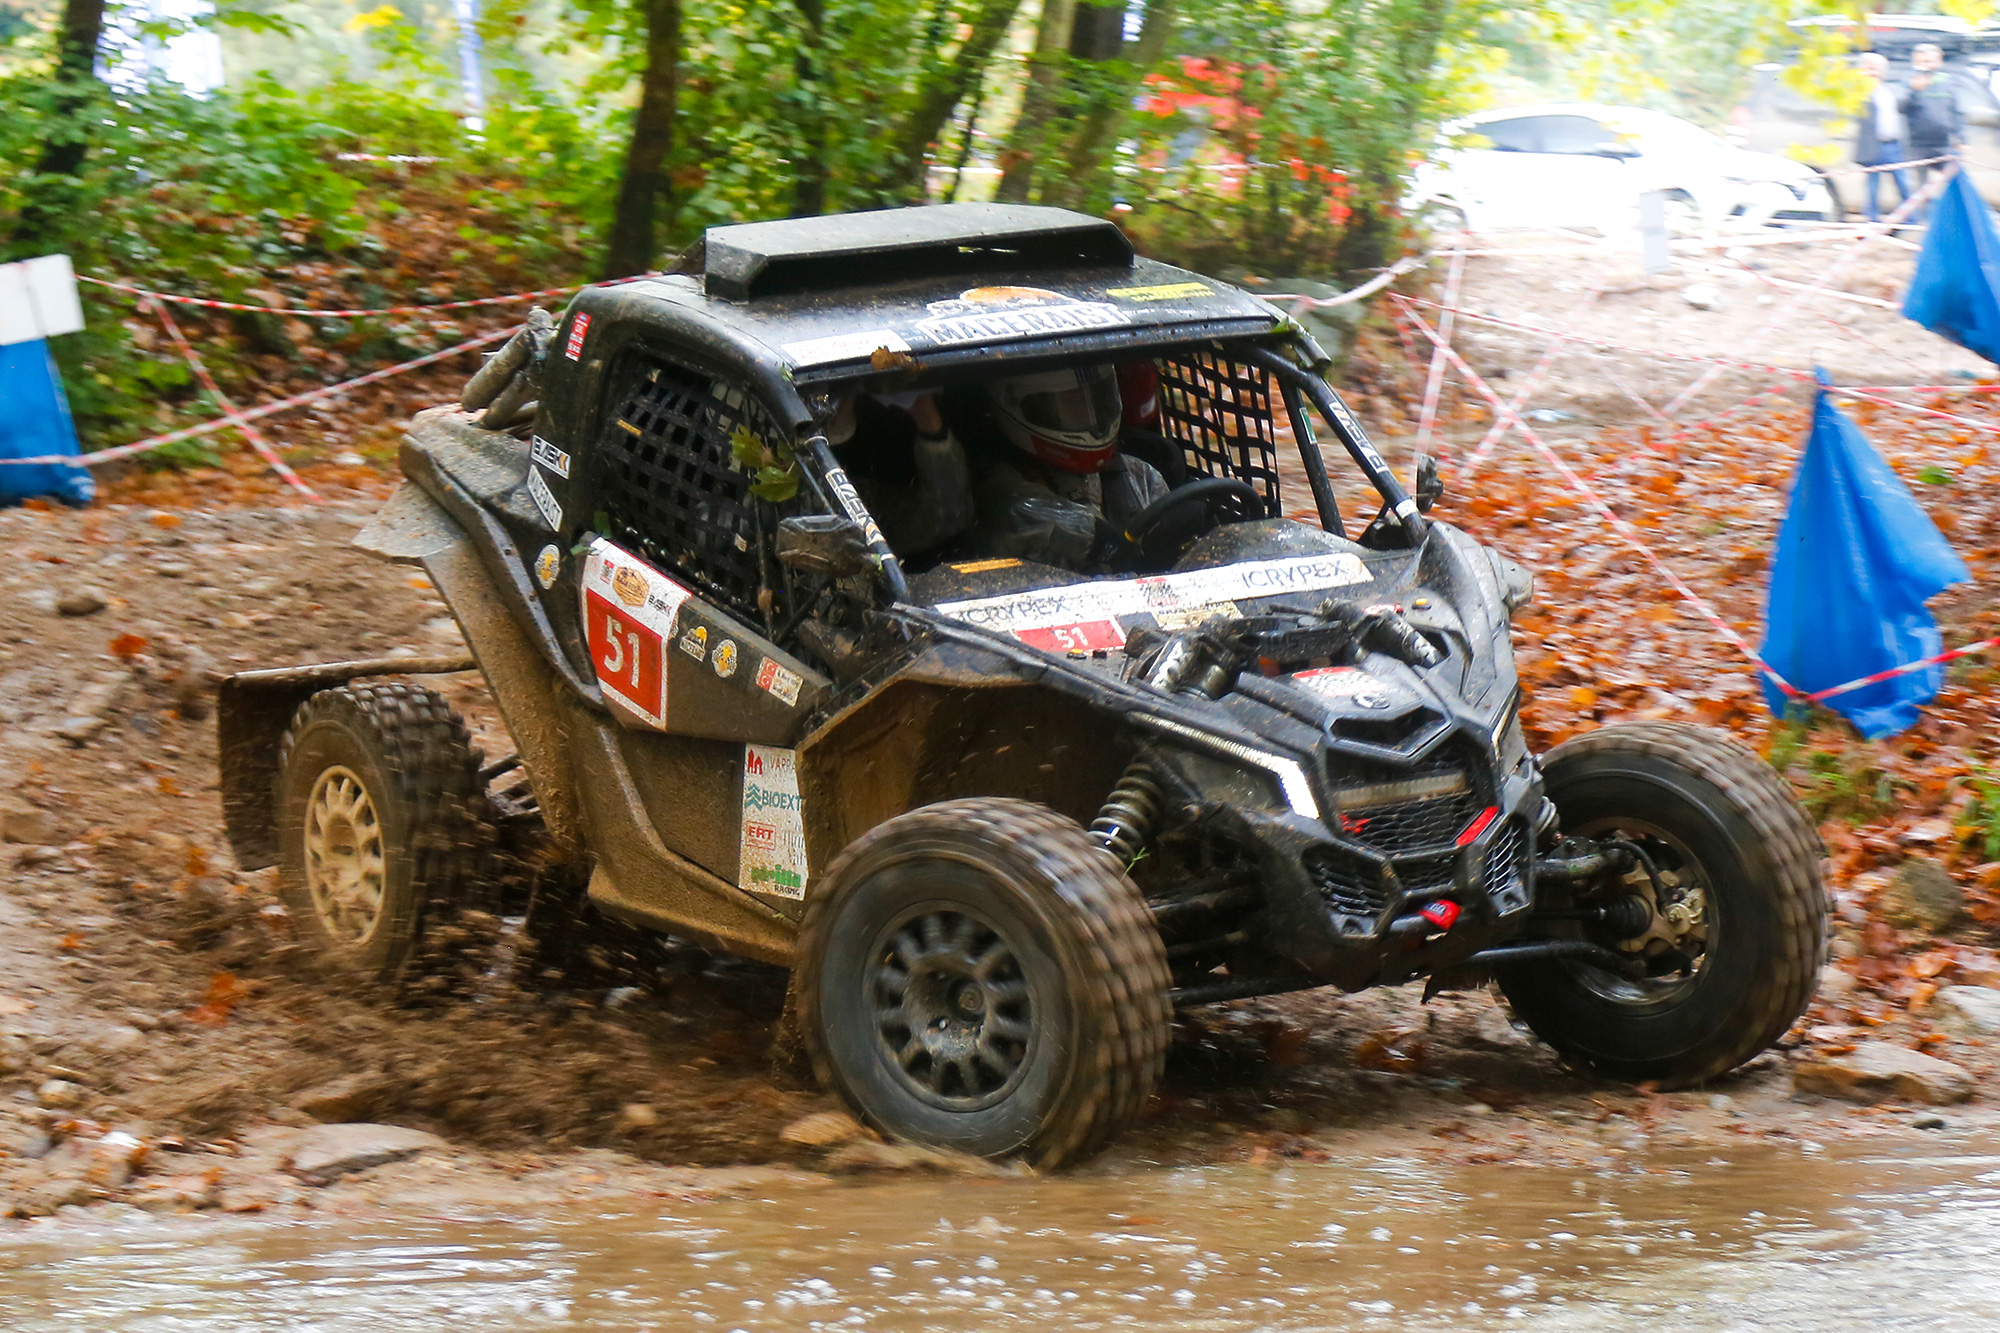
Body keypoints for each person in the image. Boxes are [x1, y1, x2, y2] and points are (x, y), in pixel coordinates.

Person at [968, 364, 1171, 570]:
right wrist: (1103, 542)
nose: (1090, 413)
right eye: (1073, 403)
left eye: (1098, 397)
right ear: (1022, 404)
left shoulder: (1140, 476)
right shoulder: (999, 489)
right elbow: (1017, 513)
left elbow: (1173, 535)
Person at [1854, 52, 1912, 223]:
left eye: (1877, 69)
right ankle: (1872, 221)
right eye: (1869, 69)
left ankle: (1911, 221)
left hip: (1893, 145)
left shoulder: (1890, 91)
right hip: (1873, 146)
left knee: (1903, 184)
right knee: (1872, 188)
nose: (1873, 73)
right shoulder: (1859, 93)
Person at [1904, 42, 1964, 213]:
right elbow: (1901, 107)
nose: (1925, 66)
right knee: (1920, 189)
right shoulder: (1909, 81)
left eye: (1930, 61)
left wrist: (1961, 138)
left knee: (1955, 180)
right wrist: (1913, 90)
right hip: (1918, 145)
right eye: (1921, 61)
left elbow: (1956, 111)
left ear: (1939, 62)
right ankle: (1924, 221)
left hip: (1943, 143)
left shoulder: (1948, 82)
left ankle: (1953, 214)